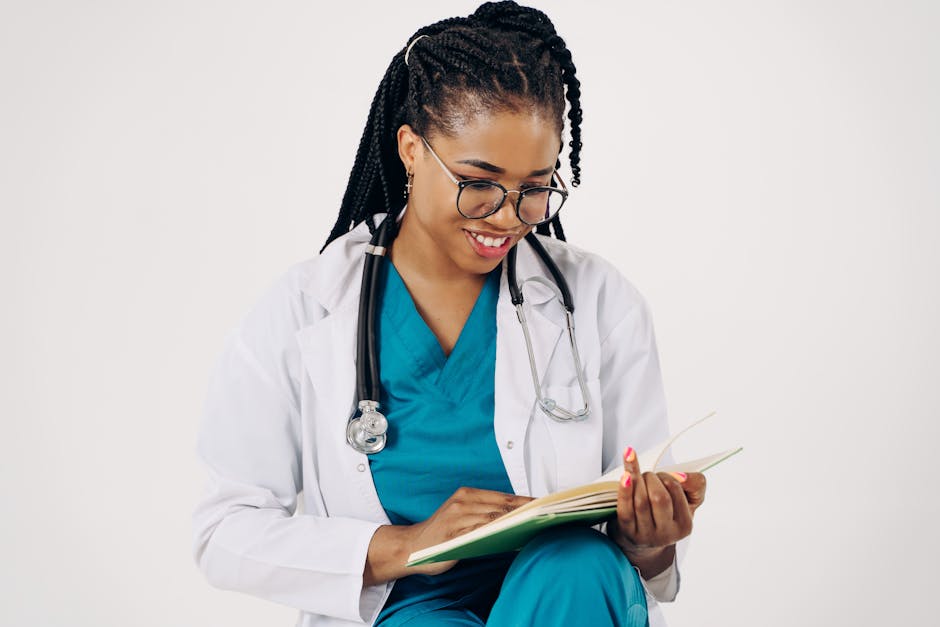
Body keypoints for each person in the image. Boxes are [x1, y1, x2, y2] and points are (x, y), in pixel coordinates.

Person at [192, 2, 707, 626]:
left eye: (536, 188)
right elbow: (223, 532)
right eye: (478, 181)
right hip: (403, 608)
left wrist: (652, 536)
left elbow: (642, 555)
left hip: (566, 601)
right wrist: (404, 547)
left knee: (580, 563)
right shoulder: (305, 309)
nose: (507, 216)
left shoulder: (597, 301)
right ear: (411, 149)